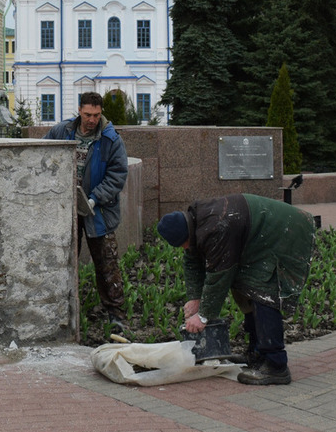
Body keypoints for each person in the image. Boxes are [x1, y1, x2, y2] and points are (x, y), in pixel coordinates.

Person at [156, 193, 316, 385]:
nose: (184, 248)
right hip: (257, 237)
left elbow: (220, 275)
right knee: (246, 287)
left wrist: (204, 315)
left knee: (263, 292)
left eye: (183, 244)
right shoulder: (195, 222)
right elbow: (192, 261)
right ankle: (257, 353)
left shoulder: (216, 227)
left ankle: (276, 365)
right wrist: (194, 298)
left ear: (186, 234)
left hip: (285, 233)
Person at [46, 91, 128, 330]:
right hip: (66, 210)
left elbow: (118, 174)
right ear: (79, 110)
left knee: (107, 264)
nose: (92, 119)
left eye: (96, 115)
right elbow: (42, 154)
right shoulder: (62, 132)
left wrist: (94, 199)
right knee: (65, 261)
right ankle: (63, 310)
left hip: (98, 212)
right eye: (88, 114)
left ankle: (116, 316)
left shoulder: (111, 139)